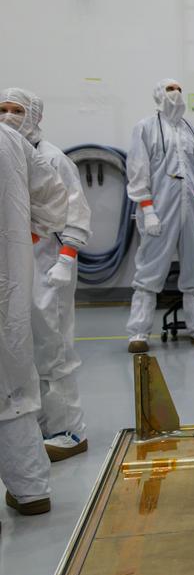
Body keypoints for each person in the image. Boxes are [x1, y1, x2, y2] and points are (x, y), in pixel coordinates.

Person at [1, 89, 92, 461]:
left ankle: (70, 429)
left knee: (53, 346)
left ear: (34, 115)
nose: (8, 117)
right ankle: (40, 423)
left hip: (49, 262)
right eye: (2, 109)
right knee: (24, 346)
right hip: (18, 265)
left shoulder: (52, 158)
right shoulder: (7, 155)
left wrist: (66, 258)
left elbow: (76, 211)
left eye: (17, 110)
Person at [0, 119, 69, 515]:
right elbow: (52, 198)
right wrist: (20, 238)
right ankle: (31, 491)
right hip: (8, 280)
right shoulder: (10, 139)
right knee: (11, 381)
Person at [125, 79, 194, 353]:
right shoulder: (145, 128)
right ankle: (139, 333)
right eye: (169, 89)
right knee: (149, 270)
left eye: (178, 89)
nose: (175, 94)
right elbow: (137, 172)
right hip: (159, 211)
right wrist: (148, 210)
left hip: (192, 210)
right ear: (158, 94)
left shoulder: (192, 130)